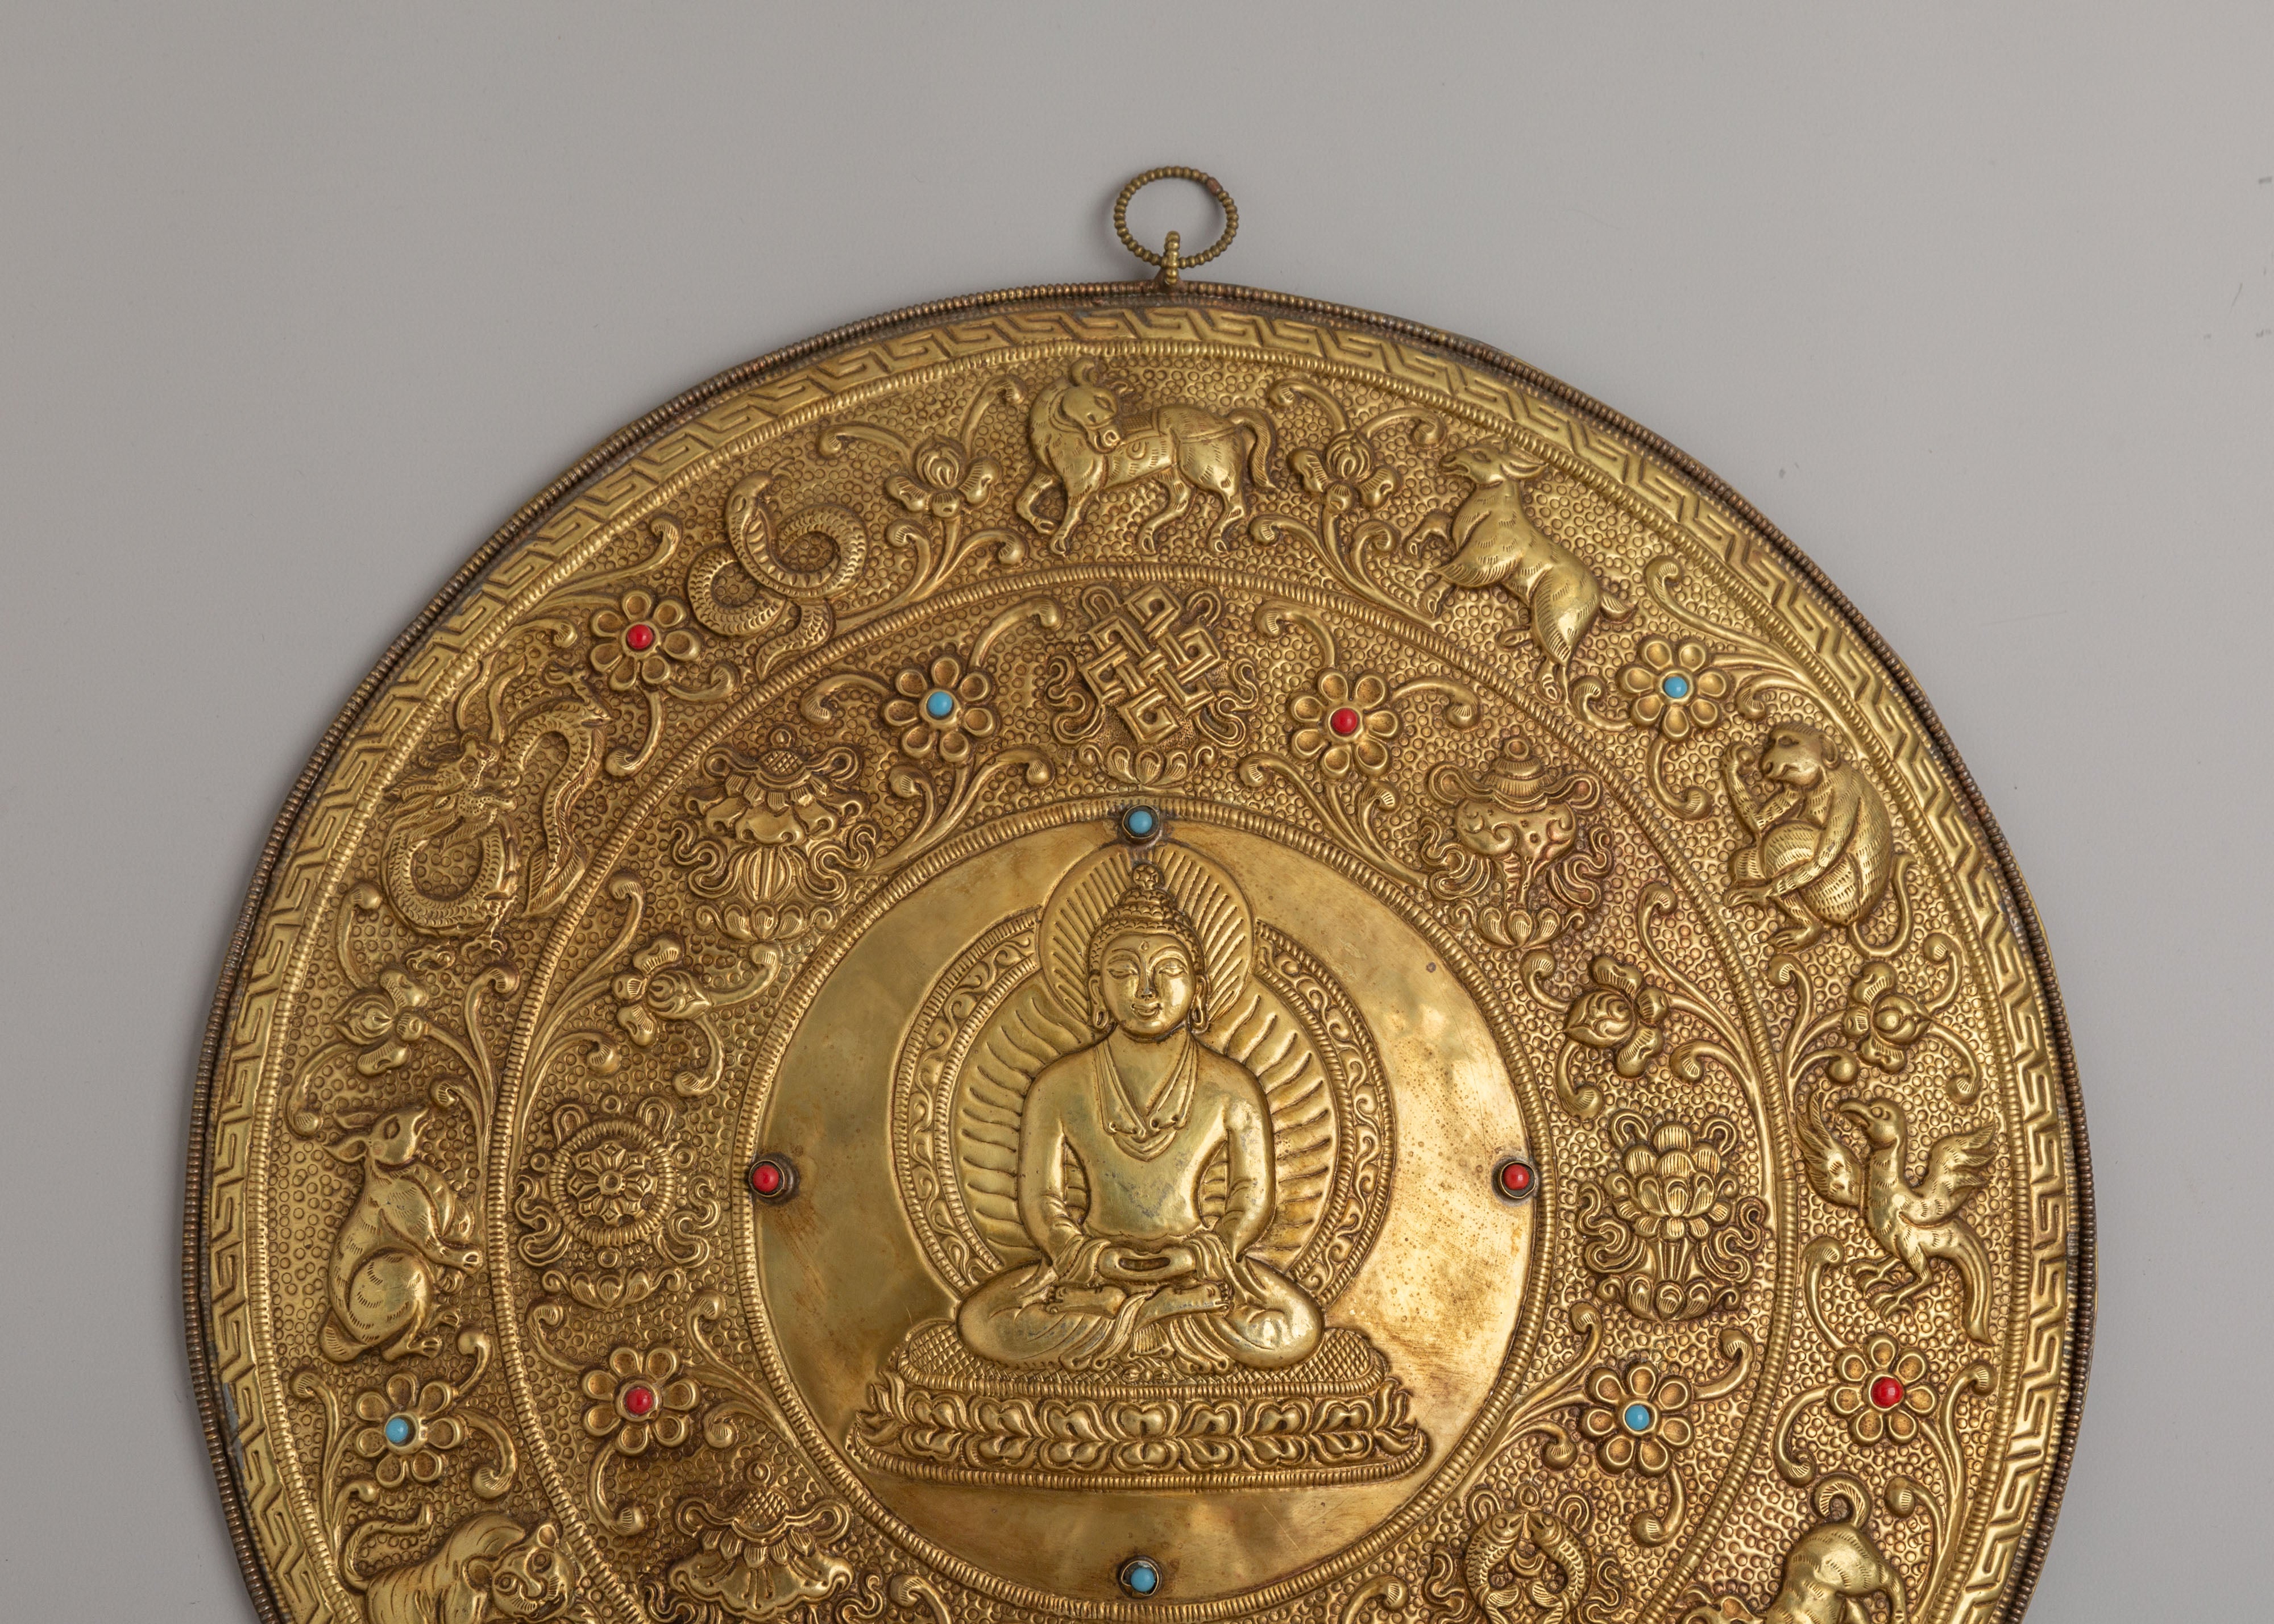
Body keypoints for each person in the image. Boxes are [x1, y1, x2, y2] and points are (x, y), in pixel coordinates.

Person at [956, 865, 1322, 1372]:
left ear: (1199, 987)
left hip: (1195, 1273)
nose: (1146, 990)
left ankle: (1141, 1316)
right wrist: (1091, 1257)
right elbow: (1042, 1201)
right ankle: (1146, 1315)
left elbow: (1250, 1198)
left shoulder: (1233, 1086)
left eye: (1168, 970)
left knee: (1296, 1327)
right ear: (1095, 987)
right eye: (1124, 971)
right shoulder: (1058, 1084)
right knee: (982, 1321)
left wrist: (1199, 1255)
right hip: (1091, 1272)